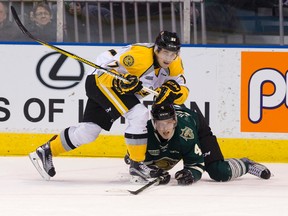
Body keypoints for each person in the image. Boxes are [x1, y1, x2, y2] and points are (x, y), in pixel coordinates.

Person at [29, 30, 190, 183]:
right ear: (156, 49)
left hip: (112, 89)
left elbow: (183, 89)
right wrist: (120, 81)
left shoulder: (175, 63)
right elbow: (102, 73)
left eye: (172, 53)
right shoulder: (139, 57)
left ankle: (46, 150)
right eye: (165, 52)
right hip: (101, 83)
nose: (169, 57)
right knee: (139, 114)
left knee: (88, 132)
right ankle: (137, 166)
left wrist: (174, 92)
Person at [125, 104, 271, 185]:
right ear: (153, 123)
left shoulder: (185, 132)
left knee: (219, 172)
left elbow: (195, 163)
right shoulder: (145, 130)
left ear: (175, 121)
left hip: (198, 127)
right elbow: (142, 166)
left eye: (169, 123)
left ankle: (246, 164)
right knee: (160, 163)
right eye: (161, 124)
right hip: (161, 139)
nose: (165, 129)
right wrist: (154, 172)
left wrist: (191, 174)